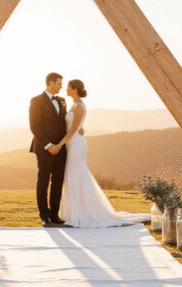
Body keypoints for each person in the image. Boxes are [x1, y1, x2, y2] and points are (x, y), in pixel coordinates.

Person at [52, 79, 150, 228]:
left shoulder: (79, 107)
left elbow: (72, 130)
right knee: (73, 176)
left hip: (76, 145)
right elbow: (74, 127)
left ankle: (83, 213)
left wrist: (59, 144)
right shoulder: (73, 105)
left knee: (76, 175)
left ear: (75, 90)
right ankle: (76, 211)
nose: (66, 90)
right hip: (72, 144)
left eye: (68, 88)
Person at [29, 72, 68, 226]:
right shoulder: (36, 100)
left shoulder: (62, 101)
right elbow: (34, 126)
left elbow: (65, 124)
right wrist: (48, 145)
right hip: (44, 148)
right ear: (51, 83)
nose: (61, 87)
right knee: (43, 181)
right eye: (59, 84)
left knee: (58, 182)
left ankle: (54, 215)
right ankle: (44, 216)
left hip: (60, 149)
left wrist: (78, 131)